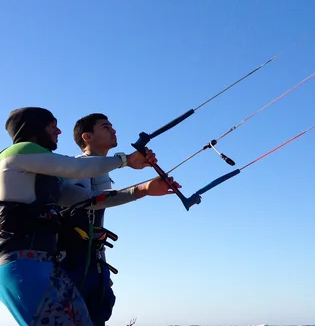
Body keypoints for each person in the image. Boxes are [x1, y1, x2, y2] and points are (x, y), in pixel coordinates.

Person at [0, 106, 157, 326]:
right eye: (52, 126)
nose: (59, 132)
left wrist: (145, 189)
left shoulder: (46, 176)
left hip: (46, 264)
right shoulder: (18, 152)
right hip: (23, 264)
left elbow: (88, 199)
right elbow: (75, 166)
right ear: (34, 127)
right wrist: (125, 160)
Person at [57, 113, 180, 326]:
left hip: (91, 261)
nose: (113, 131)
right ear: (87, 137)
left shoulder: (101, 170)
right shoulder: (77, 166)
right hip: (72, 262)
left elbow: (95, 212)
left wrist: (101, 267)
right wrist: (143, 189)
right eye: (105, 127)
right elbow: (82, 201)